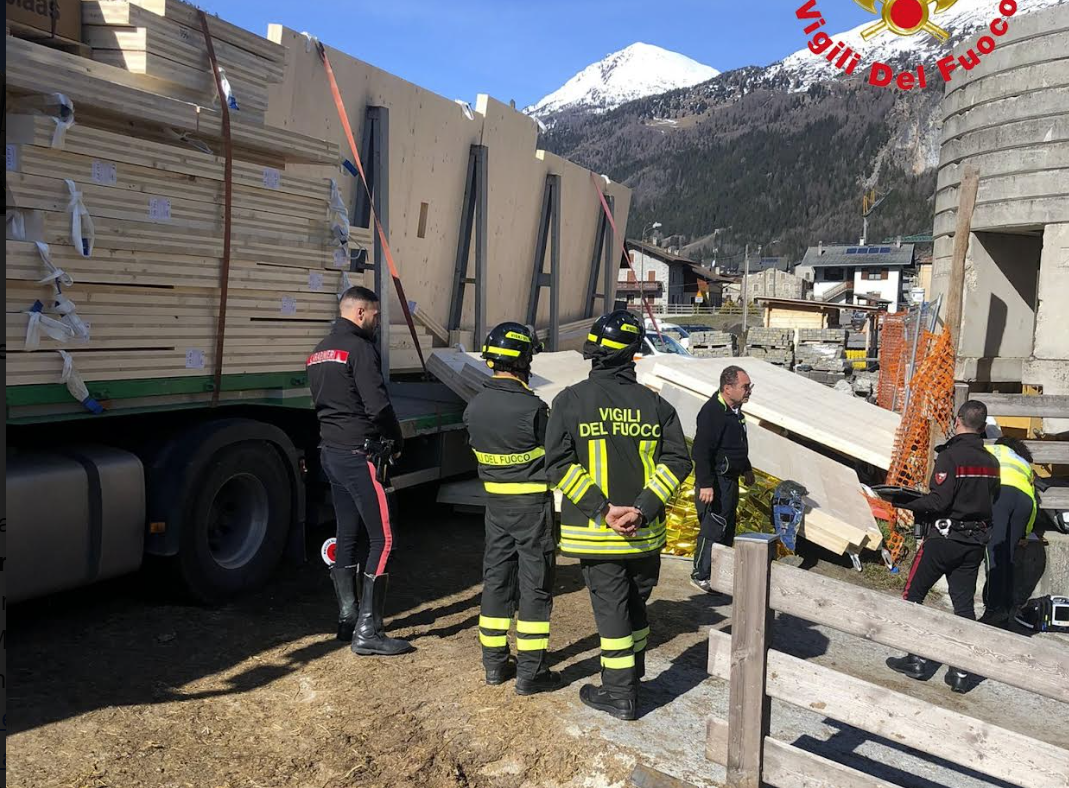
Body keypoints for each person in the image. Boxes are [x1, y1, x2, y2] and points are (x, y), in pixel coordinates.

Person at [546, 310, 692, 720]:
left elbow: (558, 465)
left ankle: (619, 693)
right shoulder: (656, 405)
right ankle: (635, 672)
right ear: (633, 354)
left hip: (596, 535)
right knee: (635, 605)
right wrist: (643, 510)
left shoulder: (570, 401)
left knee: (612, 611)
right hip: (643, 536)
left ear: (594, 353)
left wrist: (602, 511)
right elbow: (677, 462)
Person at [307, 285, 412, 656]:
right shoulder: (361, 349)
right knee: (383, 539)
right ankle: (369, 631)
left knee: (347, 533)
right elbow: (378, 406)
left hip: (331, 453)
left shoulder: (319, 351)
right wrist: (396, 440)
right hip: (359, 454)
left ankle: (348, 618)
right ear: (362, 313)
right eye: (377, 315)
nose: (378, 322)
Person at [464, 322, 562, 695]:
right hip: (531, 508)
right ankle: (531, 672)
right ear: (524, 359)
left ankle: (493, 665)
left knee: (497, 579)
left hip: (495, 507)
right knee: (535, 585)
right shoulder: (533, 409)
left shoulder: (474, 407)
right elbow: (555, 458)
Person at [886, 400, 1000, 693]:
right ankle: (961, 672)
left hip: (943, 540)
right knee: (964, 605)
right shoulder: (992, 462)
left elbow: (939, 501)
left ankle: (917, 660)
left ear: (958, 420)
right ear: (983, 427)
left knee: (914, 595)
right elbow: (993, 499)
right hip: (974, 543)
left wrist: (902, 501)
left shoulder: (950, 457)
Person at [690, 365, 754, 595]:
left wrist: (746, 469)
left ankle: (719, 575)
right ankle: (701, 574)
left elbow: (738, 446)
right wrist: (706, 483)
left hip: (731, 480)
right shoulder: (712, 413)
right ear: (728, 388)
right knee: (714, 527)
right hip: (715, 482)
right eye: (745, 387)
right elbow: (701, 451)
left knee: (727, 528)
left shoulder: (736, 413)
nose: (749, 391)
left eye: (749, 387)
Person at [982, 437, 1037, 625]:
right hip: (1024, 503)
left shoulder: (993, 449)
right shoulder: (1023, 463)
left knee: (994, 551)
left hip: (1002, 494)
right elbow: (1034, 501)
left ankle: (991, 610)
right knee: (1009, 555)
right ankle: (1006, 610)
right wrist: (1026, 533)